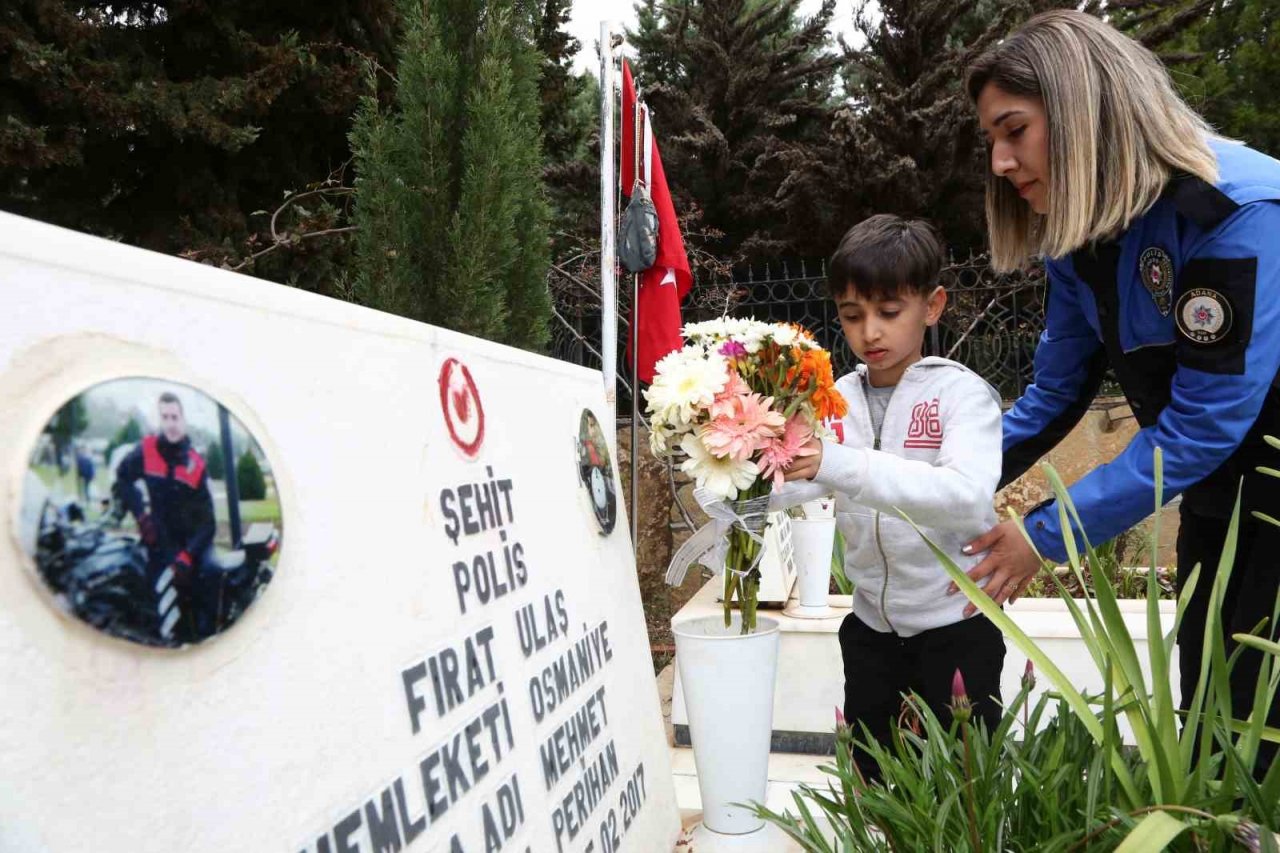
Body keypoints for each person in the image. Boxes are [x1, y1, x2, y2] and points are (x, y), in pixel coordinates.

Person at [960, 9, 1280, 768]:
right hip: (1217, 499)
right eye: (992, 142)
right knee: (1207, 713)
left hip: (1265, 485)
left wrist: (1042, 535)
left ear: (1081, 110)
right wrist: (944, 482)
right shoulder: (1085, 235)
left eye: (1015, 130)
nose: (1001, 161)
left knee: (1258, 724)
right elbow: (1055, 393)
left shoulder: (1233, 212)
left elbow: (1204, 425)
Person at [780, 214, 1006, 778]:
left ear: (932, 307)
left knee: (965, 789)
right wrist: (732, 472)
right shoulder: (835, 397)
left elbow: (968, 499)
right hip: (870, 634)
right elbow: (799, 478)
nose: (869, 333)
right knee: (874, 781)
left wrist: (840, 463)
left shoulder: (962, 395)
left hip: (955, 630)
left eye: (888, 312)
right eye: (852, 316)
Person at [113, 391, 217, 641]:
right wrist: (141, 517)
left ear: (184, 420)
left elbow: (209, 523)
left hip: (192, 547)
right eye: (165, 417)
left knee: (203, 594)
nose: (170, 423)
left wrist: (188, 555)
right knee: (149, 606)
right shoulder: (146, 450)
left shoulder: (195, 465)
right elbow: (123, 478)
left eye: (175, 417)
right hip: (159, 543)